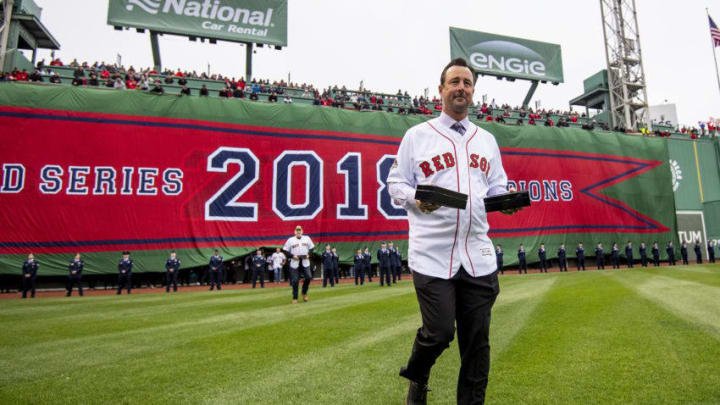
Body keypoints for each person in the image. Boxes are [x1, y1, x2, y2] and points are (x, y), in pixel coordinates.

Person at [387, 58, 521, 404]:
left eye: (467, 82)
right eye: (455, 82)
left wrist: (503, 200)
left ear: (473, 91)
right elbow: (395, 183)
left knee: (477, 342)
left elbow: (496, 184)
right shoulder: (417, 136)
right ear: (441, 90)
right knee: (440, 331)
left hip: (477, 252)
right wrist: (417, 198)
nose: (461, 87)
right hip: (432, 252)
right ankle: (417, 375)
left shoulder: (486, 140)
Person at [282, 225, 315, 303]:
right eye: (297, 230)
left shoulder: (307, 238)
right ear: (295, 232)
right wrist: (292, 256)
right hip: (295, 261)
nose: (298, 232)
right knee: (295, 280)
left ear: (302, 231)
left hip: (305, 261)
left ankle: (304, 292)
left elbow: (312, 248)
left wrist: (308, 254)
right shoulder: (290, 240)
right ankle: (295, 297)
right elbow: (285, 250)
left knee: (308, 277)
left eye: (300, 230)